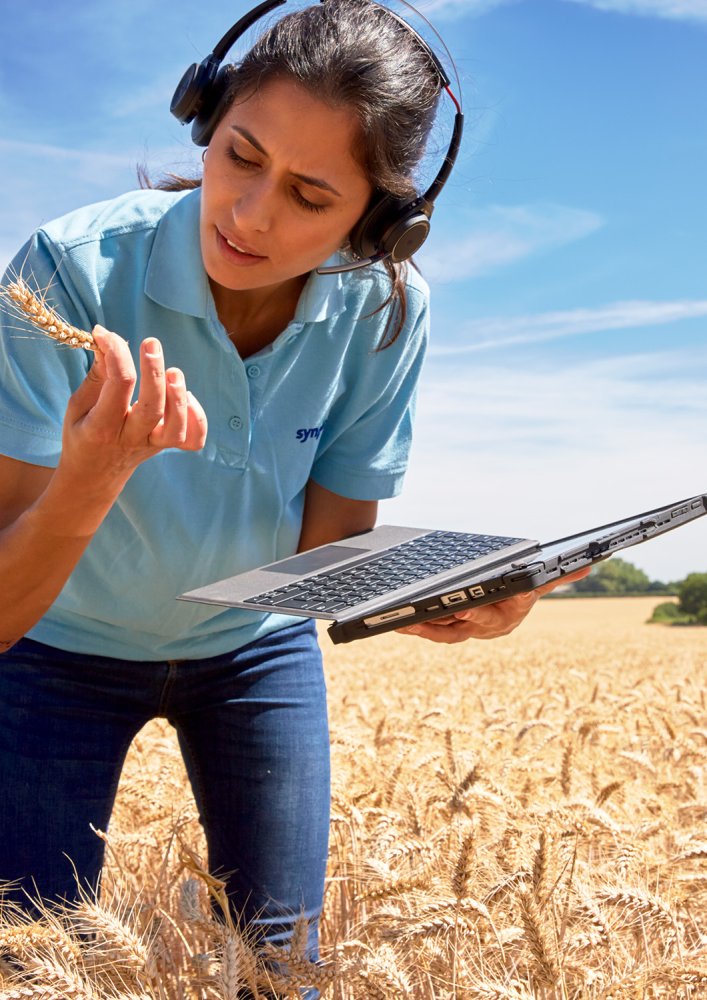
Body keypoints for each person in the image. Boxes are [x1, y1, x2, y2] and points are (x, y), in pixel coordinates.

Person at [0, 0, 586, 990]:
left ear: (379, 222)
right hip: (54, 655)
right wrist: (93, 480)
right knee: (23, 955)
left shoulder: (385, 312)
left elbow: (319, 554)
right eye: (239, 154)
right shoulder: (67, 271)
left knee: (283, 970)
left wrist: (429, 594)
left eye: (311, 196)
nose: (249, 212)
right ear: (204, 118)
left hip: (250, 655)